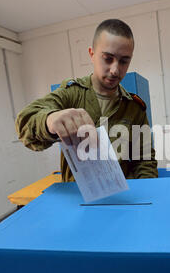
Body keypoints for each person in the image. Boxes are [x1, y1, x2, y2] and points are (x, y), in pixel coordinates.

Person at [15, 19, 158, 182]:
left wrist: (145, 193)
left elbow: (145, 159)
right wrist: (49, 121)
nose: (115, 70)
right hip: (79, 198)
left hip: (122, 197)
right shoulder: (71, 94)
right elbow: (25, 124)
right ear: (92, 54)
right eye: (108, 58)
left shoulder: (134, 107)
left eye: (124, 61)